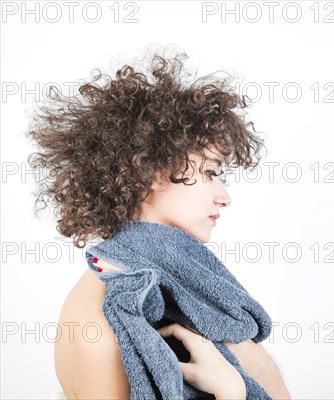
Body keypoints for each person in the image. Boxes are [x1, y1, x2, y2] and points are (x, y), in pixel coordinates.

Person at [26, 48, 291, 399]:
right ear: (152, 172)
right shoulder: (100, 326)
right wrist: (230, 392)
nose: (225, 196)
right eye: (210, 172)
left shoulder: (188, 296)